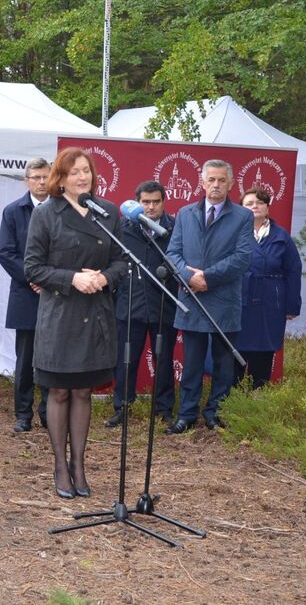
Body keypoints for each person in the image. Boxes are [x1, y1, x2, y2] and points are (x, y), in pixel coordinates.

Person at [24, 147, 126, 499]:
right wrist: (72, 278)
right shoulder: (47, 214)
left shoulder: (108, 212)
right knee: (60, 390)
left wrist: (104, 278)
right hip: (60, 315)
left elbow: (121, 261)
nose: (83, 177)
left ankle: (79, 464)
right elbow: (32, 267)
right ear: (61, 178)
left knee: (84, 391)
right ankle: (59, 466)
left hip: (95, 314)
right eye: (75, 172)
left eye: (87, 171)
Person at [165, 159, 253, 434]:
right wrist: (189, 277)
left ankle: (216, 412)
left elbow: (242, 258)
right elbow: (172, 254)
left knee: (223, 364)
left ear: (230, 184)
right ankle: (187, 414)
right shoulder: (184, 213)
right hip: (192, 300)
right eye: (211, 180)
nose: (216, 185)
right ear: (202, 183)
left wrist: (208, 278)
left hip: (223, 301)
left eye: (221, 180)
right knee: (191, 364)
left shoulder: (242, 216)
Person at [106, 180, 178, 428]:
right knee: (126, 359)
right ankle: (122, 407)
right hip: (129, 304)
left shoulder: (174, 228)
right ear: (137, 203)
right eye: (145, 202)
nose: (150, 207)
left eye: (155, 202)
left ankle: (164, 409)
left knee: (165, 358)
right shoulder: (123, 228)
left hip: (163, 305)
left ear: (163, 202)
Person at [0, 157, 51, 433]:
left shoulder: (61, 209)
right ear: (26, 180)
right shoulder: (13, 211)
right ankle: (23, 414)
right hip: (26, 295)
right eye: (36, 177)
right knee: (26, 358)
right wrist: (32, 278)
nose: (41, 182)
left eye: (45, 176)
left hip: (55, 296)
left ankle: (49, 414)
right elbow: (5, 253)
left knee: (52, 358)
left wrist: (51, 280)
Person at [233, 187, 302, 389]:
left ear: (267, 207)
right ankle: (232, 404)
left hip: (270, 302)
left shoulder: (282, 236)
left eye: (260, 202)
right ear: (241, 209)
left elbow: (293, 271)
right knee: (235, 352)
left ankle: (258, 398)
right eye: (249, 203)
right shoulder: (234, 234)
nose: (255, 206)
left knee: (263, 353)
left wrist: (291, 306)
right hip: (240, 301)